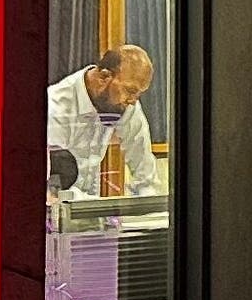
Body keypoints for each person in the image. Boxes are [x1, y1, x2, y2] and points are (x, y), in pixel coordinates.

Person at [44, 44, 165, 208]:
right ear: (104, 77)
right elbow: (52, 193)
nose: (133, 101)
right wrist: (109, 212)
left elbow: (147, 180)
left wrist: (149, 210)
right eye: (130, 91)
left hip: (94, 216)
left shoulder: (125, 105)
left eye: (139, 94)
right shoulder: (54, 108)